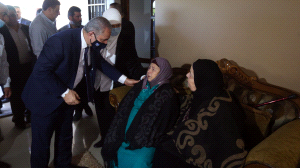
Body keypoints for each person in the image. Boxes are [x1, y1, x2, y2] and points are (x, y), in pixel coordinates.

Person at [21, 16, 139, 167]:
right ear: (91, 34)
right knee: (42, 143)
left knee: (65, 138)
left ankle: (63, 165)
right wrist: (64, 92)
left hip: (67, 98)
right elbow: (41, 71)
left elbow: (100, 63)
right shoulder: (60, 41)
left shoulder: (92, 44)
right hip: (45, 99)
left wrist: (124, 79)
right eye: (103, 40)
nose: (105, 44)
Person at [152, 59, 247, 168]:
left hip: (206, 159)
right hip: (185, 151)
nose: (187, 75)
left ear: (202, 80)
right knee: (160, 145)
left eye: (191, 74)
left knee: (163, 152)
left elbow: (220, 143)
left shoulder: (221, 106)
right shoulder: (201, 95)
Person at [101, 57, 180, 168]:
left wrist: (143, 132)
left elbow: (165, 121)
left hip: (145, 140)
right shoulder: (142, 84)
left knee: (139, 161)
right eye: (149, 68)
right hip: (124, 134)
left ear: (163, 72)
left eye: (154, 69)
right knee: (113, 148)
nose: (149, 71)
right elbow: (124, 106)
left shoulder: (167, 93)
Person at [93, 8, 146, 148]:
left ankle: (114, 142)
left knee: (115, 116)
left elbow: (132, 62)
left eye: (118, 25)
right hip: (97, 82)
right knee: (101, 114)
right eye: (111, 26)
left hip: (116, 82)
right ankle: (104, 138)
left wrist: (142, 75)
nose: (115, 29)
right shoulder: (95, 38)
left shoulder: (124, 39)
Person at [0, 4, 35, 129]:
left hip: (28, 67)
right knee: (16, 96)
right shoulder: (2, 32)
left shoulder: (26, 28)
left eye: (13, 15)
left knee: (30, 93)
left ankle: (31, 116)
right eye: (7, 16)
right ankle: (19, 120)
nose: (11, 18)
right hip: (13, 69)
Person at [57, 6, 92, 121]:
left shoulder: (85, 30)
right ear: (70, 17)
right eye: (77, 16)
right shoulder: (62, 32)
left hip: (83, 66)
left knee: (83, 88)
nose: (80, 18)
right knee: (74, 89)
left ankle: (85, 105)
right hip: (69, 68)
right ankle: (78, 110)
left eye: (80, 16)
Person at [0, 17, 11, 168]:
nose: (5, 18)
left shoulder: (0, 36)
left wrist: (6, 84)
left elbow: (3, 63)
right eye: (3, 14)